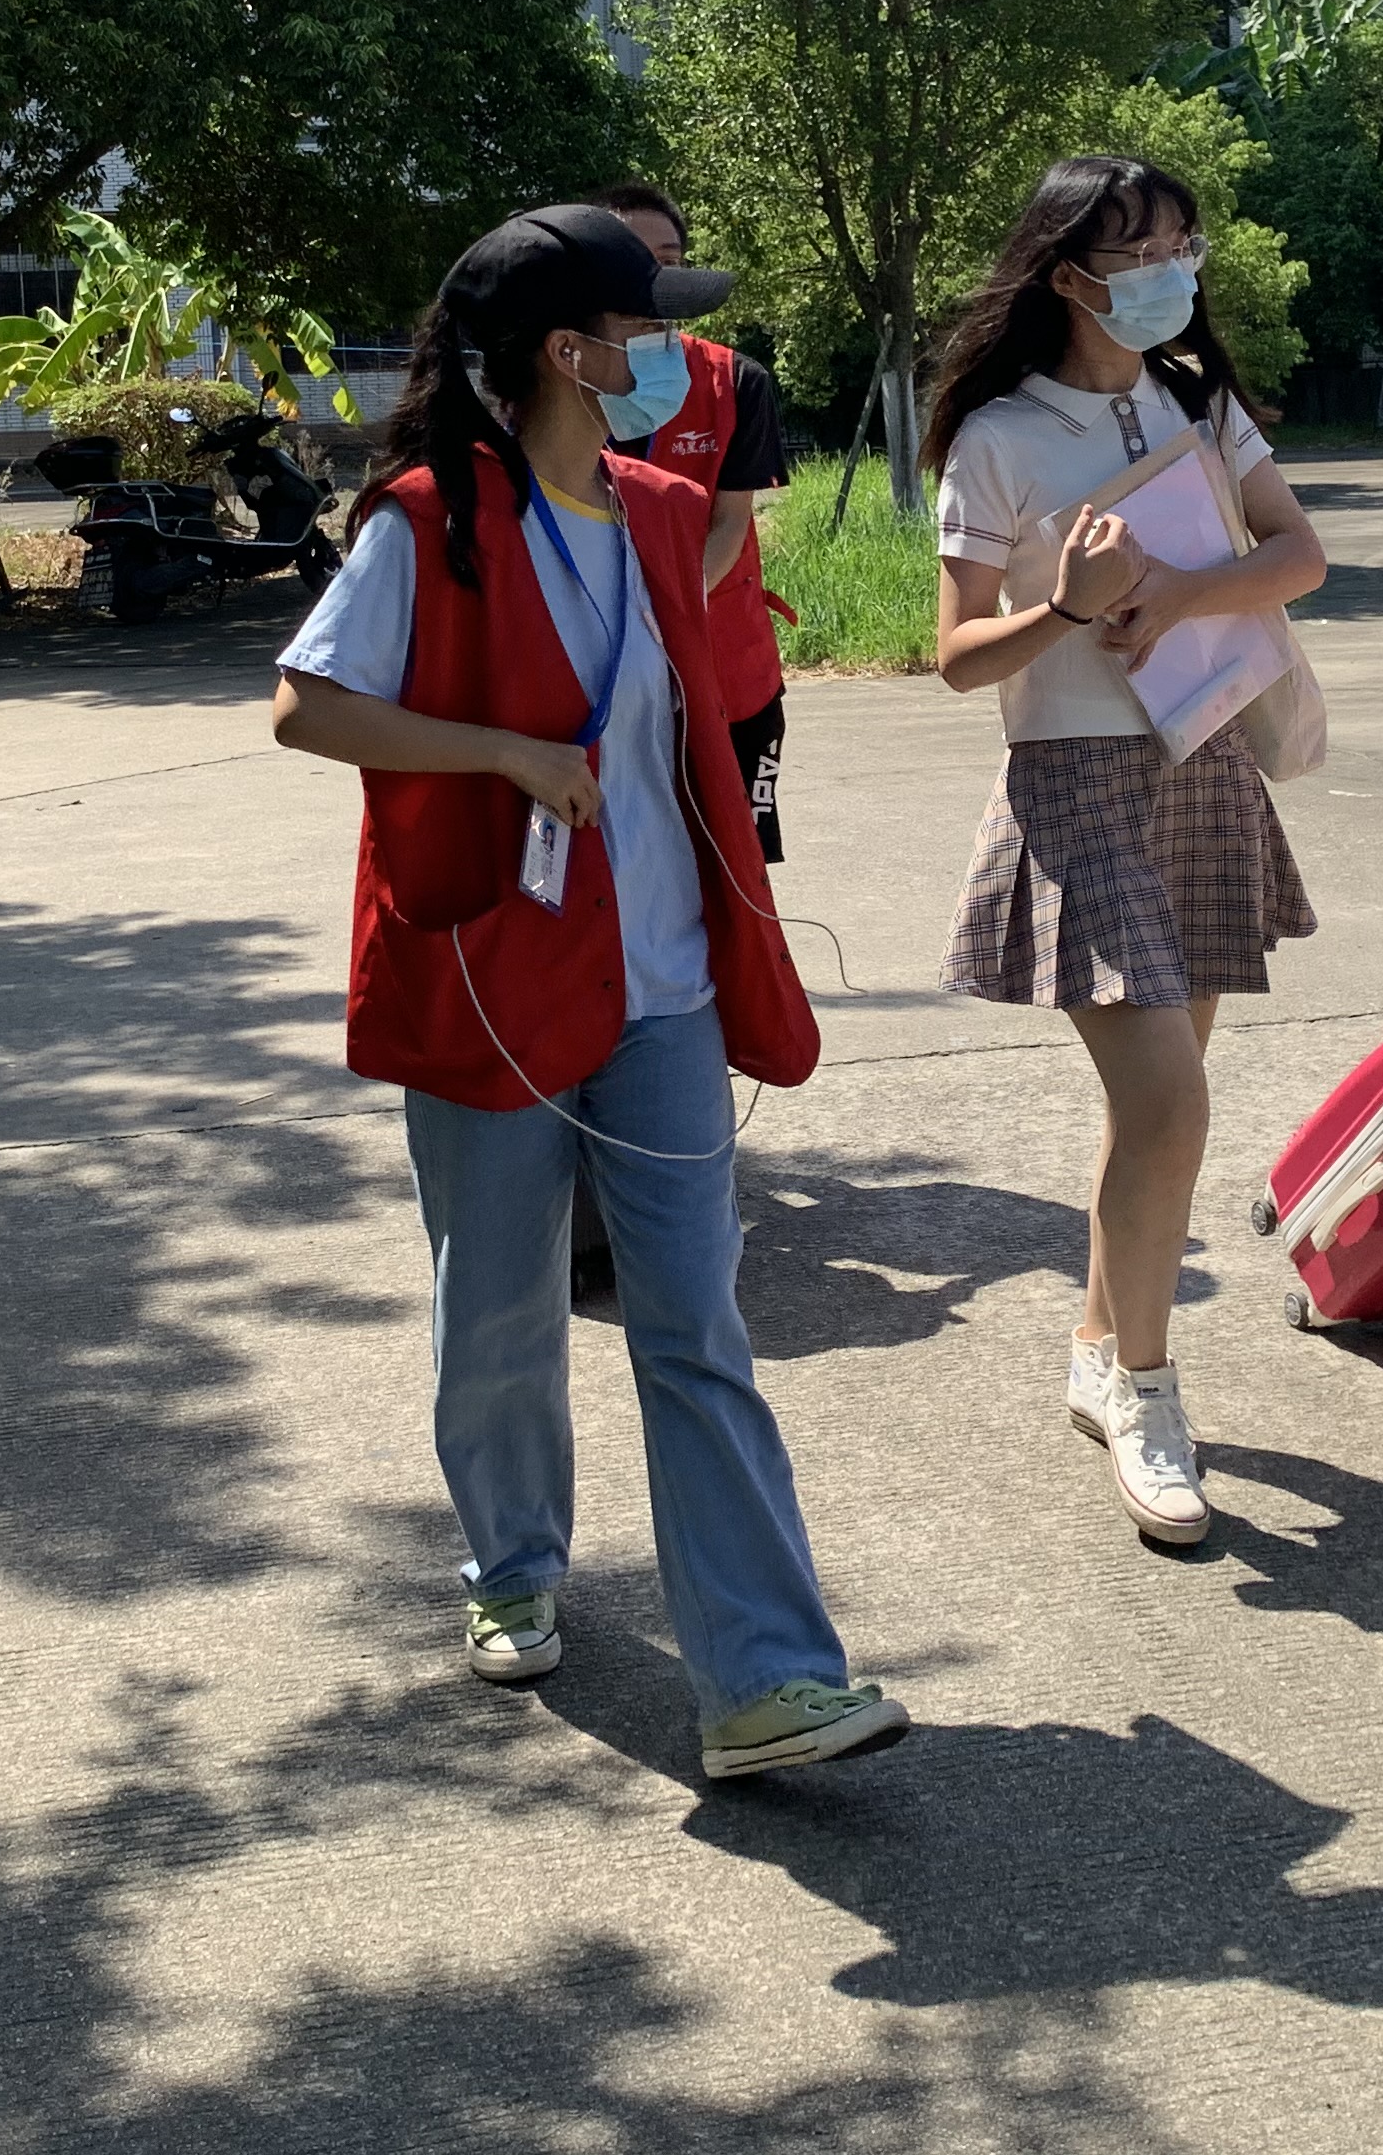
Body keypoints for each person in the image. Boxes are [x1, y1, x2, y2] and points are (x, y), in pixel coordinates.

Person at [268, 203, 906, 1781]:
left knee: (695, 1321)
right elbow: (308, 707)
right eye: (644, 329)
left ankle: (766, 1679)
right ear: (571, 352)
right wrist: (498, 753)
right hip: (497, 974)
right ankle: (511, 1563)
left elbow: (700, 727)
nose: (672, 354)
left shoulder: (663, 511)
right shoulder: (430, 519)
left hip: (664, 981)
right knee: (498, 1310)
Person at [926, 157, 1326, 1547]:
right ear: (1065, 276)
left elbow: (1299, 554)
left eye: (1180, 244)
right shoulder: (998, 438)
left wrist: (1179, 594)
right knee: (1169, 1109)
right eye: (1139, 251)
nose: (1171, 271)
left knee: (1157, 1112)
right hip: (1077, 780)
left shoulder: (1195, 403)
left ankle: (1103, 1349)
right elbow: (957, 655)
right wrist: (1067, 608)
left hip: (1201, 758)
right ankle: (1149, 1395)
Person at [593, 181, 796, 862]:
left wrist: (661, 609)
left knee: (735, 864)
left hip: (725, 664)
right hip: (601, 669)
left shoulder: (735, 382)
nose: (655, 279)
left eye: (670, 260)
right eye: (633, 259)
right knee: (622, 866)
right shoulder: (560, 382)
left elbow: (730, 522)